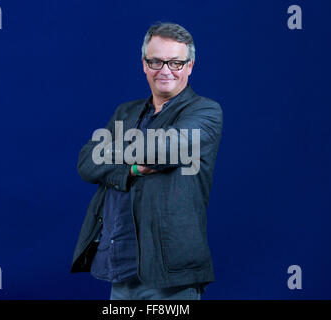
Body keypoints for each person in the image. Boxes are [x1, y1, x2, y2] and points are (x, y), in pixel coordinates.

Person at [70, 22, 223, 300]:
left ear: (189, 66)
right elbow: (86, 162)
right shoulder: (125, 112)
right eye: (156, 61)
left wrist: (114, 152)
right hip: (120, 265)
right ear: (144, 64)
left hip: (170, 274)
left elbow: (162, 150)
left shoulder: (206, 112)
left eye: (175, 63)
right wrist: (130, 169)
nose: (165, 71)